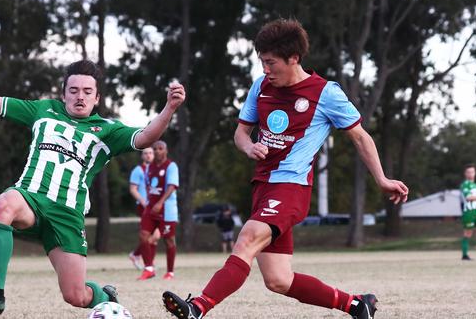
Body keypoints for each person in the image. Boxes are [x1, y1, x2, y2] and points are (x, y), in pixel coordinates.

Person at [162, 19, 408, 319]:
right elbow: (240, 133)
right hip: (263, 186)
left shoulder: (326, 93)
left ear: (294, 58)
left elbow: (361, 137)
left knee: (247, 238)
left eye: (270, 62)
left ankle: (197, 308)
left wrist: (381, 179)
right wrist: (249, 146)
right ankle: (356, 305)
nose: (265, 70)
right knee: (278, 279)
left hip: (291, 187)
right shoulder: (261, 86)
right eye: (261, 62)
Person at [0, 59, 185, 316]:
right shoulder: (43, 110)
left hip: (68, 215)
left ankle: (106, 296)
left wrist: (169, 109)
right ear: (63, 94)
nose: (79, 97)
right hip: (31, 199)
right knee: (4, 203)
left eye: (87, 92)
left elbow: (146, 136)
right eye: (73, 91)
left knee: (76, 295)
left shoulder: (108, 130)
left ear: (97, 98)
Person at [137, 140, 179, 281]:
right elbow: (149, 187)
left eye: (160, 148)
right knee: (143, 235)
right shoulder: (149, 167)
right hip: (151, 208)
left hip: (166, 210)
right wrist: (150, 202)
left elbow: (172, 186)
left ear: (166, 151)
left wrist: (160, 203)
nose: (157, 151)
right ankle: (149, 269)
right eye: (155, 149)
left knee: (169, 241)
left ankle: (170, 272)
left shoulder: (171, 166)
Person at [127, 147, 160, 270]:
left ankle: (137, 255)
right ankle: (146, 261)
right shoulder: (138, 170)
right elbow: (133, 189)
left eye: (150, 153)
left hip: (156, 207)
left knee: (155, 237)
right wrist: (144, 202)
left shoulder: (157, 169)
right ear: (142, 156)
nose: (148, 155)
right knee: (154, 234)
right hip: (144, 206)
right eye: (145, 153)